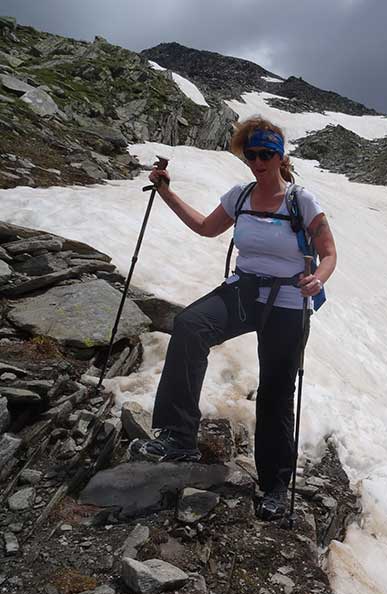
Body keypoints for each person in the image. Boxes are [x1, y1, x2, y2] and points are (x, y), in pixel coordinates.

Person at [128, 117, 337, 521]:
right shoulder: (239, 197)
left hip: (289, 300)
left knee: (276, 391)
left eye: (266, 154)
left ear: (280, 156)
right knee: (190, 325)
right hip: (243, 291)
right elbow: (206, 228)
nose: (258, 161)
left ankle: (275, 483)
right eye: (251, 154)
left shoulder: (301, 201)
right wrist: (165, 192)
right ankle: (178, 436)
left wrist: (318, 279)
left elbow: (328, 251)